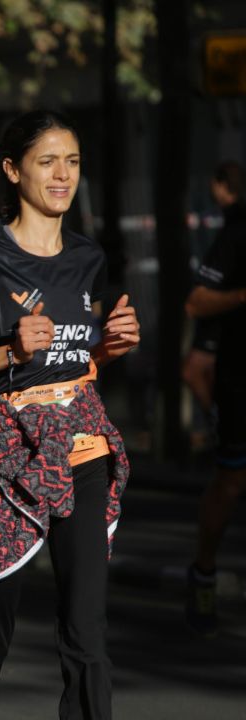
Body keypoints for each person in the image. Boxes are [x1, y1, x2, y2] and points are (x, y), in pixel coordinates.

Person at [0, 110, 140, 719]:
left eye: (71, 161)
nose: (62, 175)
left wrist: (108, 348)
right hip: (10, 456)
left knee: (86, 631)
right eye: (47, 161)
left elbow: (76, 359)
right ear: (14, 171)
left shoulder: (89, 259)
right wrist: (7, 350)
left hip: (82, 446)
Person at [184, 160, 246, 636]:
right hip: (240, 379)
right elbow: (196, 301)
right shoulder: (238, 231)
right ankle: (203, 572)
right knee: (230, 483)